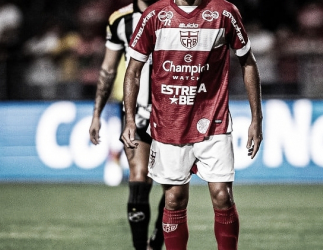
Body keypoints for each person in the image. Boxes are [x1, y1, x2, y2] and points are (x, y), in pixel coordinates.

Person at [121, 0, 263, 249]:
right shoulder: (155, 15)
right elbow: (133, 71)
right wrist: (130, 119)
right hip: (168, 124)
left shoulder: (224, 13)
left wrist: (256, 119)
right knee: (174, 198)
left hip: (213, 121)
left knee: (222, 195)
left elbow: (248, 62)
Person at [88, 0, 165, 249]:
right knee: (138, 174)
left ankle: (158, 240)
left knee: (173, 186)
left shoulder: (179, 12)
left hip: (175, 113)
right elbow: (108, 69)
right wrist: (97, 113)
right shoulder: (120, 20)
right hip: (137, 113)